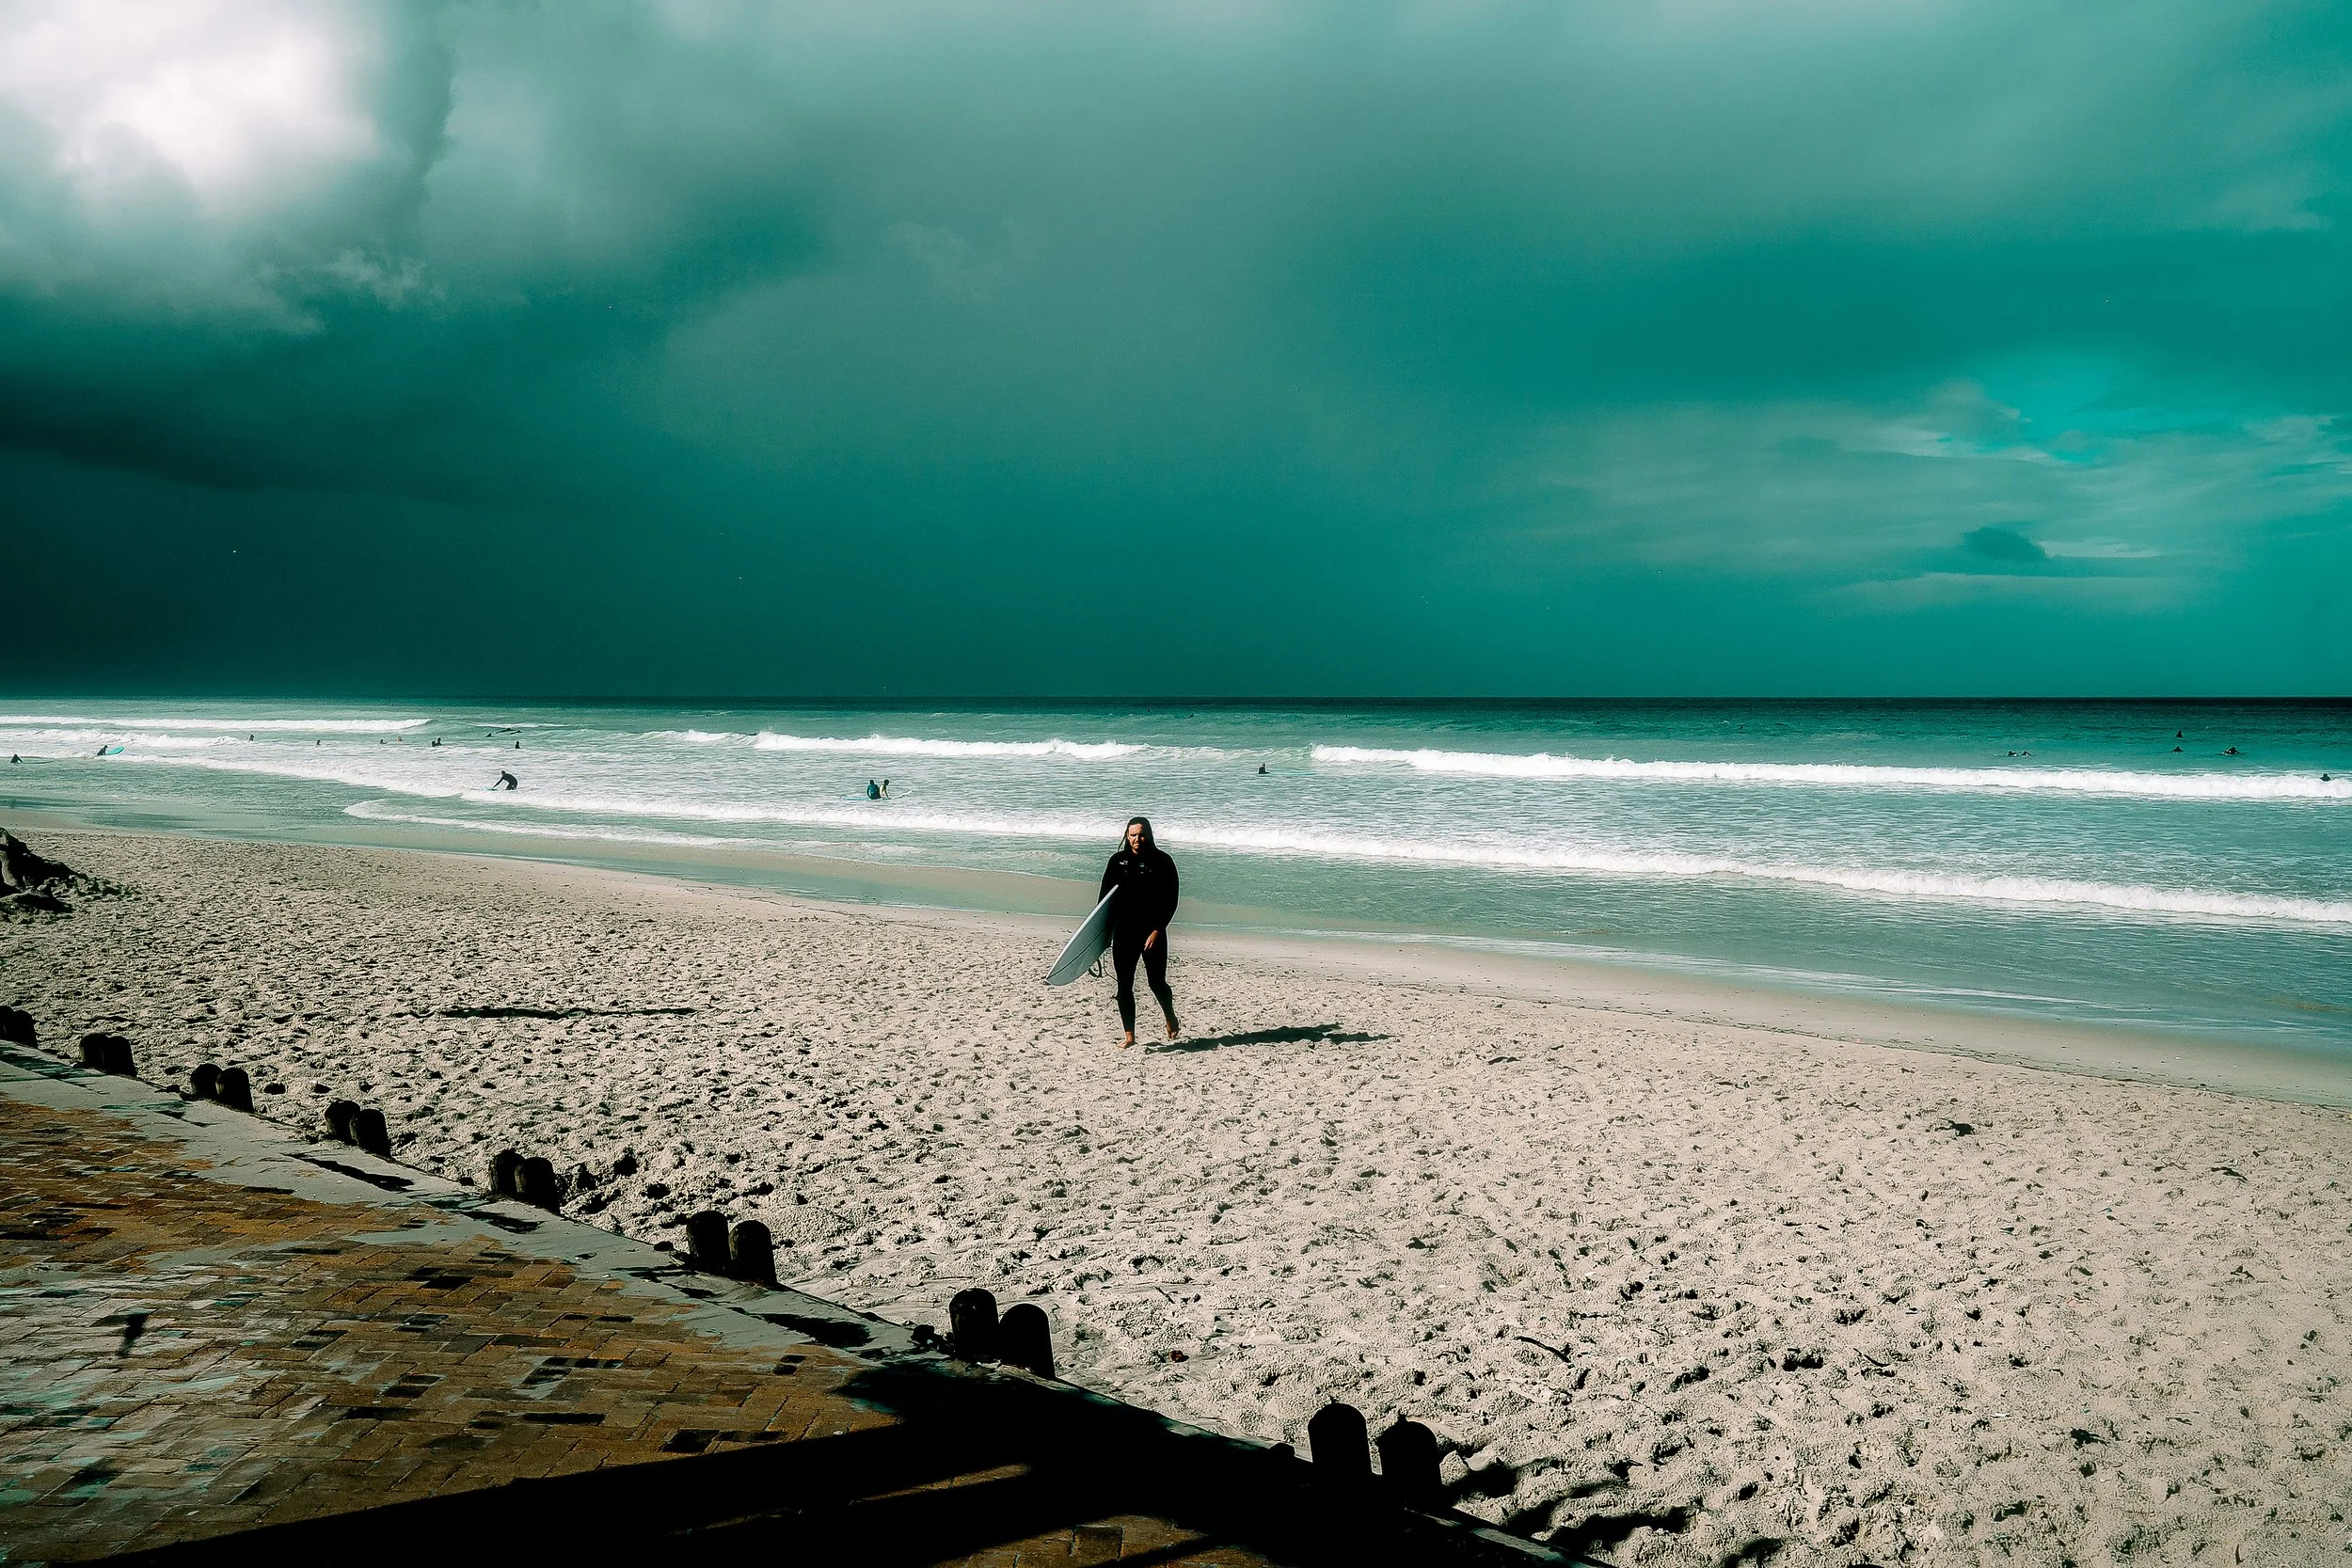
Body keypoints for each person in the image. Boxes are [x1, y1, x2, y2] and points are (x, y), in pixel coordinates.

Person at [1099, 816, 1181, 1048]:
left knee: (1157, 982)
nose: (1137, 839)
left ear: (1150, 835)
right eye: (1133, 835)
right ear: (1127, 836)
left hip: (1152, 932)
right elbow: (1103, 901)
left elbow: (1171, 900)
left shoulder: (1163, 861)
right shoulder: (1117, 862)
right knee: (1124, 985)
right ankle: (1129, 1037)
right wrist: (1101, 936)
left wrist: (1158, 929)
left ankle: (1169, 1014)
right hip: (1124, 932)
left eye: (1142, 835)